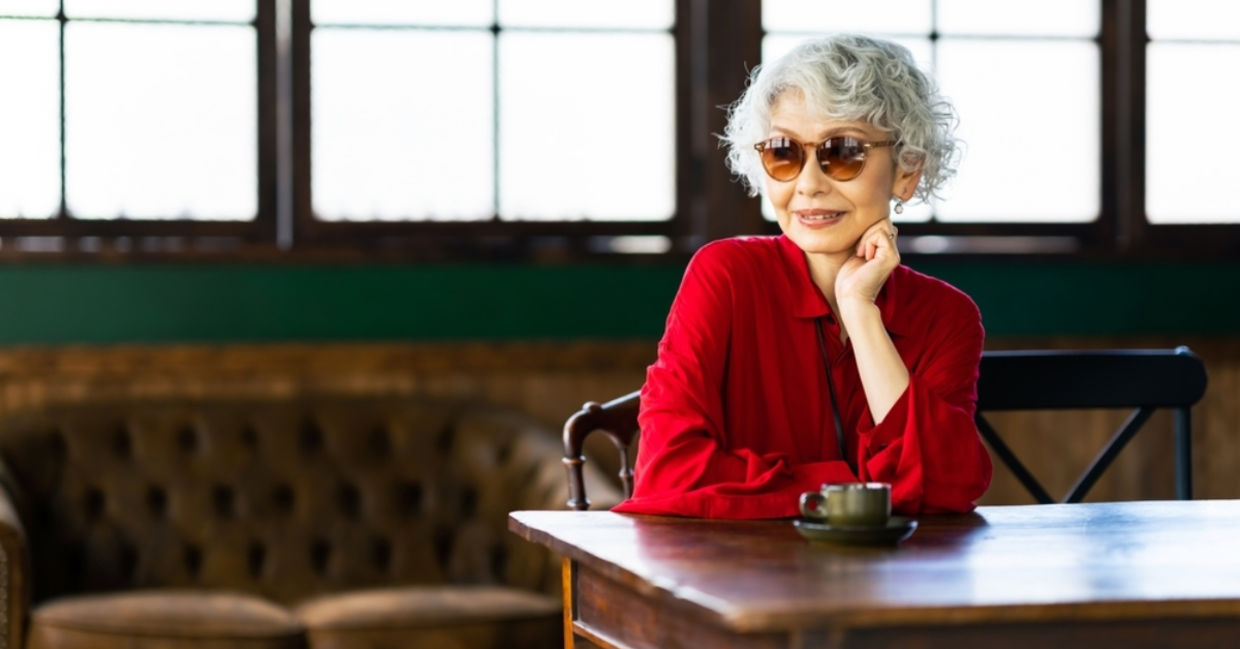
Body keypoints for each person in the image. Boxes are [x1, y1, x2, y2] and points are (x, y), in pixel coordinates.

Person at [611, 34, 992, 519]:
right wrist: (863, 489)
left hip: (895, 586)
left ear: (907, 170)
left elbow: (944, 485)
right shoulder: (725, 276)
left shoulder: (946, 317)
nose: (809, 184)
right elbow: (669, 476)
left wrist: (860, 312)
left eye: (844, 152)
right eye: (783, 153)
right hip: (731, 582)